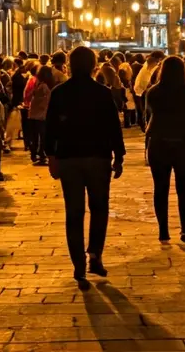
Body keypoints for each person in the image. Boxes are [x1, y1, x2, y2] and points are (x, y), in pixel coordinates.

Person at [45, 46, 126, 285]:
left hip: (69, 158)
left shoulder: (60, 93)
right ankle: (95, 255)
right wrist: (119, 155)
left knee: (74, 211)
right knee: (99, 208)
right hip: (98, 157)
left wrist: (51, 157)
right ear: (94, 66)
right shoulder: (102, 93)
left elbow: (50, 128)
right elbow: (114, 126)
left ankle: (78, 264)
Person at [143, 56, 185, 243]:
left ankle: (163, 230)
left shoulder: (153, 92)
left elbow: (148, 116)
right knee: (184, 188)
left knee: (160, 188)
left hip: (159, 142)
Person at [28, 66, 54, 166]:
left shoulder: (39, 85)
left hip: (35, 114)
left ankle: (36, 154)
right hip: (42, 114)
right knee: (42, 136)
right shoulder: (44, 86)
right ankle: (41, 155)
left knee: (36, 136)